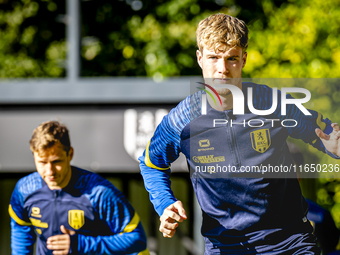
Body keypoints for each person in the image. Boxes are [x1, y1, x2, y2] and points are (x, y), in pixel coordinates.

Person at [139, 13, 340, 254]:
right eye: (213, 57)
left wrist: (334, 147)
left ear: (243, 59)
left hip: (290, 242)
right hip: (226, 246)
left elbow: (323, 133)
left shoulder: (272, 103)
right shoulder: (182, 119)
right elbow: (151, 163)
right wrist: (165, 204)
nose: (222, 69)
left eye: (231, 59)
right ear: (200, 58)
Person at [9, 120, 149, 255]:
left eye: (56, 162)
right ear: (33, 157)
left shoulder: (98, 192)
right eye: (42, 162)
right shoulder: (24, 190)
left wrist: (80, 244)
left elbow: (137, 239)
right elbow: (21, 231)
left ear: (70, 154)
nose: (50, 171)